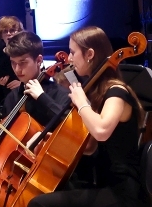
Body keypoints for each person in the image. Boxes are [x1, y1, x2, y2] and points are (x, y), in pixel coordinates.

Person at [24, 27, 145, 207]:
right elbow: (88, 146)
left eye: (73, 52)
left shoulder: (116, 91)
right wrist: (47, 138)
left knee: (39, 204)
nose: (70, 58)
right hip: (101, 183)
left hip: (122, 191)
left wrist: (81, 102)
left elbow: (101, 131)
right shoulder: (97, 93)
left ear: (90, 54)